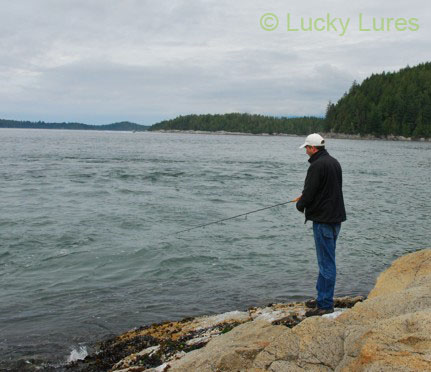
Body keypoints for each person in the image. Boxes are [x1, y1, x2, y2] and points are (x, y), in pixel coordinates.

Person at [294, 133, 346, 317]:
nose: (306, 151)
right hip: (335, 218)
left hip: (323, 220)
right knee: (326, 260)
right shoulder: (334, 162)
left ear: (313, 148)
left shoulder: (316, 166)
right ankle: (322, 297)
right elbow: (328, 189)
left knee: (326, 263)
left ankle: (325, 304)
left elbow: (309, 192)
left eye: (307, 148)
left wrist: (300, 205)